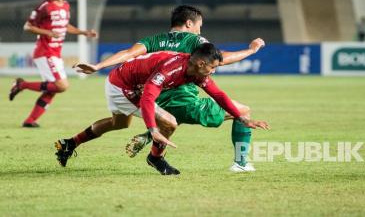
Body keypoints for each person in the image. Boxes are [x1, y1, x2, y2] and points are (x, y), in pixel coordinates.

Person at [74, 5, 264, 172]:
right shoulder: (196, 42)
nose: (199, 30)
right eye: (199, 25)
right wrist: (251, 50)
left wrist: (99, 66)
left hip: (156, 95)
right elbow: (220, 58)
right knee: (243, 111)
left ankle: (148, 135)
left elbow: (128, 54)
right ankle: (241, 163)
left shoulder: (154, 40)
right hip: (179, 98)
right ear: (190, 23)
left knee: (123, 123)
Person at [55, 43, 269, 175]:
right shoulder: (172, 69)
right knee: (169, 122)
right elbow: (148, 97)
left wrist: (243, 118)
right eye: (213, 67)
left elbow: (218, 94)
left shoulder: (194, 70)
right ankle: (156, 158)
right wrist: (152, 128)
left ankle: (69, 143)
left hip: (121, 81)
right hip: (123, 88)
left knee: (118, 124)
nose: (214, 71)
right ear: (202, 64)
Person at [8, 0, 98, 128]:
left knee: (52, 90)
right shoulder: (44, 6)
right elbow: (27, 26)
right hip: (45, 51)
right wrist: (47, 32)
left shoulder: (66, 6)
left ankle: (30, 121)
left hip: (55, 53)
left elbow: (65, 25)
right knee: (62, 86)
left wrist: (83, 32)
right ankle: (21, 85)